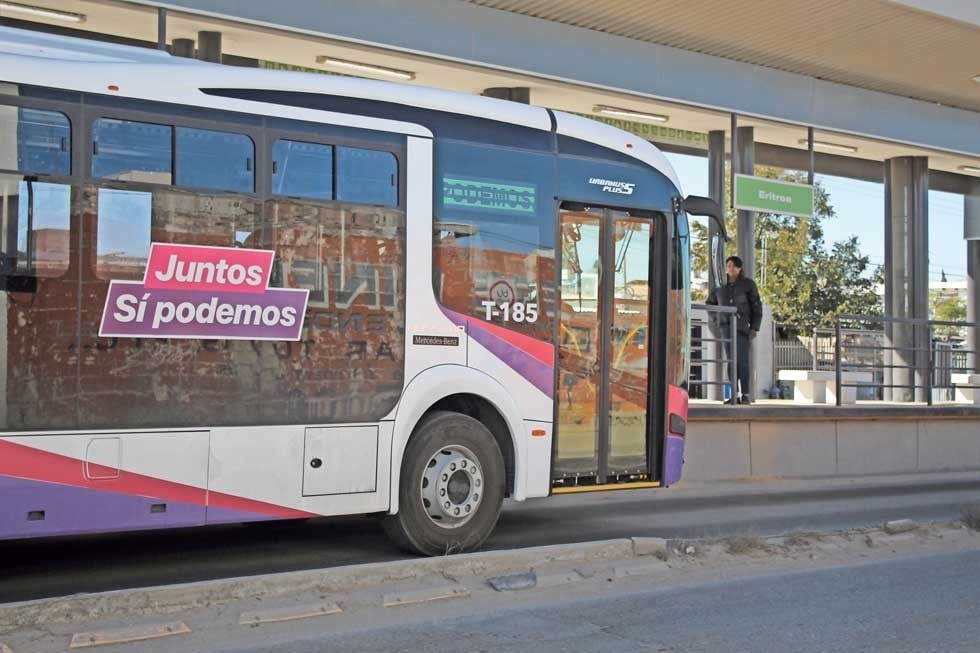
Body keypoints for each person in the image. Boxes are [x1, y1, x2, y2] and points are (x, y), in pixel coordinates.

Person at [707, 255, 763, 404]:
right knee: (731, 361)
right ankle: (733, 395)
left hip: (742, 327)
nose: (730, 268)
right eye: (728, 265)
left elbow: (756, 305)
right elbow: (710, 304)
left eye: (733, 265)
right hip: (726, 327)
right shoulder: (719, 285)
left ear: (739, 268)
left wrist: (755, 327)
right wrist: (717, 319)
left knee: (742, 361)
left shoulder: (748, 284)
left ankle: (745, 395)